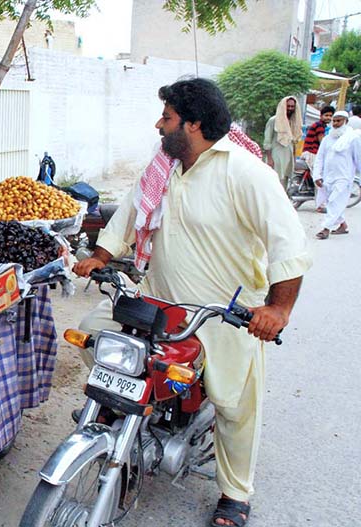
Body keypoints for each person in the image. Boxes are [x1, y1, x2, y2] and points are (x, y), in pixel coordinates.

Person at [73, 78, 311, 527]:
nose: (158, 125)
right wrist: (101, 256)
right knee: (91, 330)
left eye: (167, 118)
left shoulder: (244, 172)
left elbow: (290, 244)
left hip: (222, 315)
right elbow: (129, 211)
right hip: (158, 301)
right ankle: (128, 417)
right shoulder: (167, 166)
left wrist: (277, 310)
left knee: (234, 403)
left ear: (194, 124)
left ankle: (235, 493)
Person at [313, 110, 361, 240]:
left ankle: (325, 228)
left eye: (338, 121)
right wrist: (317, 175)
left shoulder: (353, 139)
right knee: (330, 202)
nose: (335, 123)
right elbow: (320, 158)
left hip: (344, 177)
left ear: (345, 122)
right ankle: (343, 225)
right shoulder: (327, 139)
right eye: (334, 121)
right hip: (328, 177)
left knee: (335, 201)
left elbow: (358, 159)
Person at [263, 96, 302, 188]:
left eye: (292, 107)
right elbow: (267, 141)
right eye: (288, 106)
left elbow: (294, 141)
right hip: (276, 156)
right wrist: (269, 159)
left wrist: (294, 158)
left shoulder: (293, 122)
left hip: (288, 156)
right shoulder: (273, 120)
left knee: (285, 182)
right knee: (274, 182)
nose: (290, 109)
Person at [302, 105, 334, 213]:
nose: (328, 117)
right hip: (312, 153)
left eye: (330, 116)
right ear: (321, 116)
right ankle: (320, 205)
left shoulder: (321, 125)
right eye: (326, 115)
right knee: (319, 178)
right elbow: (322, 143)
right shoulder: (320, 126)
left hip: (311, 152)